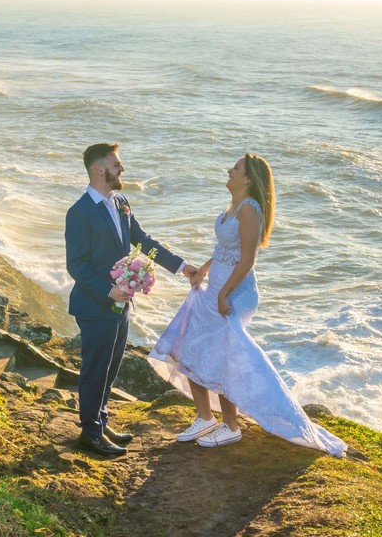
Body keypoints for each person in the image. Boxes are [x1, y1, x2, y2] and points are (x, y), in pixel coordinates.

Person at [148, 153, 346, 456]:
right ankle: (205, 417)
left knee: (224, 355)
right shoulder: (233, 206)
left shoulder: (250, 208)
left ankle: (231, 426)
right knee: (188, 345)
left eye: (236, 168)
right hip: (217, 288)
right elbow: (225, 249)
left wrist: (224, 293)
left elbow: (247, 259)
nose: (230, 170)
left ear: (249, 178)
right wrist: (204, 269)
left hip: (236, 293)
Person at [65, 142, 198, 456]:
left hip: (120, 304)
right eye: (116, 164)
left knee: (110, 367)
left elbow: (143, 241)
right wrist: (107, 290)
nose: (122, 168)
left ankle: (100, 421)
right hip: (94, 305)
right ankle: (89, 433)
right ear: (99, 170)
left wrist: (182, 267)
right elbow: (76, 265)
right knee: (95, 370)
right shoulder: (79, 212)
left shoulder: (121, 202)